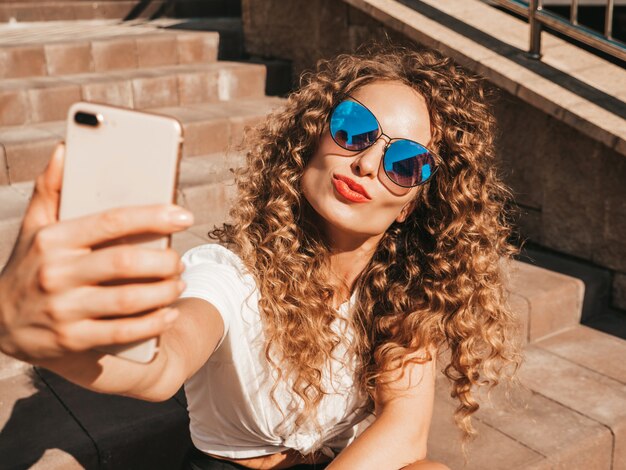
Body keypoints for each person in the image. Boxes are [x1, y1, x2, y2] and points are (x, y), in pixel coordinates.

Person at [0, 44, 524, 469]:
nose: (366, 163)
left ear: (413, 204)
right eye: (354, 130)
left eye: (405, 163)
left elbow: (402, 431)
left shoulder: (403, 291)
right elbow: (162, 363)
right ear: (312, 139)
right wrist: (48, 344)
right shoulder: (229, 273)